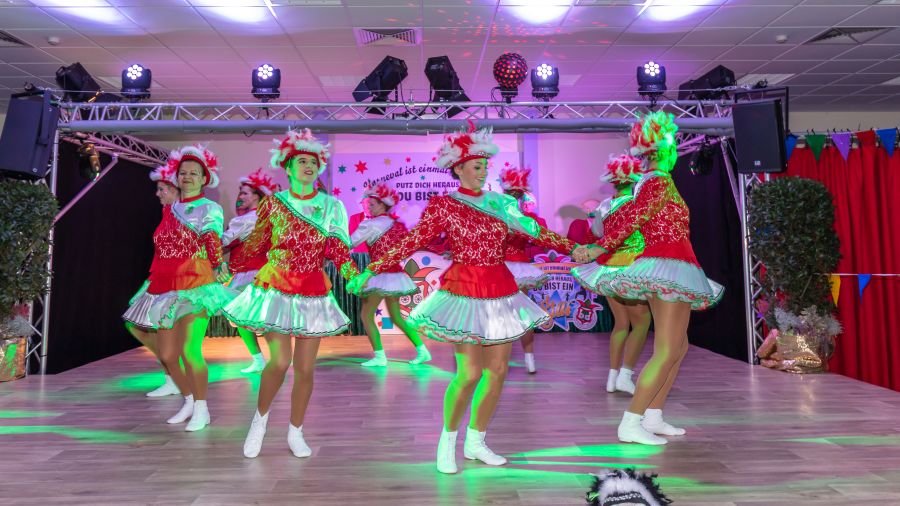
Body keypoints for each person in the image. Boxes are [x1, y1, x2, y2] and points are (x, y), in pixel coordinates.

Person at [348, 123, 578, 474]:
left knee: (497, 371)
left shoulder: (501, 203)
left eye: (485, 166)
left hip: (500, 288)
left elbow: (536, 232)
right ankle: (447, 440)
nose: (482, 171)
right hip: (465, 288)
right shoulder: (445, 205)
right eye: (476, 165)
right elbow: (411, 240)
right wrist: (372, 268)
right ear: (458, 168)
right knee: (469, 374)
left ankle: (476, 441)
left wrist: (576, 249)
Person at [582, 112, 724, 445]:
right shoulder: (657, 180)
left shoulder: (658, 180)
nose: (676, 153)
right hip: (667, 266)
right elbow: (633, 218)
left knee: (678, 347)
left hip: (677, 264)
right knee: (666, 350)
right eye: (673, 147)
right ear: (661, 151)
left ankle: (654, 416)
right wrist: (599, 248)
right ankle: (631, 422)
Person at [222, 129, 359, 459]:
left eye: (313, 161)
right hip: (276, 287)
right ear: (288, 167)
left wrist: (353, 276)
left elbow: (338, 249)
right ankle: (259, 422)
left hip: (313, 291)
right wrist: (227, 265)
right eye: (302, 161)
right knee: (280, 361)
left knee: (306, 369)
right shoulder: (274, 203)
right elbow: (256, 244)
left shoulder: (331, 206)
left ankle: (296, 430)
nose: (309, 166)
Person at [122, 145, 230, 432]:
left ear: (204, 179)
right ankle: (189, 400)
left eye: (194, 173)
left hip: (196, 283)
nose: (187, 177)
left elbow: (211, 235)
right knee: (168, 355)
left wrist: (217, 263)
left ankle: (202, 408)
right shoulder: (171, 209)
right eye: (183, 173)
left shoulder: (209, 208)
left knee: (189, 350)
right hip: (165, 286)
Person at [572, 154, 652, 395]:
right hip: (631, 267)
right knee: (642, 323)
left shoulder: (603, 206)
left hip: (607, 268)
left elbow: (595, 234)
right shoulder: (637, 203)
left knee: (621, 324)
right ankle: (625, 376)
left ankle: (612, 377)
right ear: (633, 179)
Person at [351, 182, 431, 367]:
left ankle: (380, 356)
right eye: (366, 204)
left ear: (383, 204)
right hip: (396, 276)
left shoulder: (370, 224)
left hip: (380, 275)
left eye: (372, 204)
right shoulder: (396, 225)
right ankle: (422, 350)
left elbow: (350, 242)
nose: (368, 208)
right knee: (396, 316)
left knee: (366, 315)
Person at [125, 164, 182, 397]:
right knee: (136, 324)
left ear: (174, 189)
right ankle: (172, 374)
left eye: (161, 189)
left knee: (160, 328)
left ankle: (174, 377)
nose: (157, 194)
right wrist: (147, 283)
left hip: (176, 281)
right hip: (158, 277)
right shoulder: (167, 213)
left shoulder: (182, 214)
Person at [223, 168, 281, 373]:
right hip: (265, 274)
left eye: (245, 193)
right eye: (240, 193)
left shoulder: (245, 220)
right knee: (255, 318)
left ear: (257, 196)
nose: (240, 197)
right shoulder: (268, 218)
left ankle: (265, 360)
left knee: (245, 318)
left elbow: (223, 242)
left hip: (249, 274)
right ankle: (274, 359)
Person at [499, 166, 548, 374]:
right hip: (520, 266)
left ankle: (501, 361)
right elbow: (539, 240)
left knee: (500, 314)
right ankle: (529, 358)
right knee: (522, 312)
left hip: (502, 267)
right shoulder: (525, 218)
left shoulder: (498, 215)